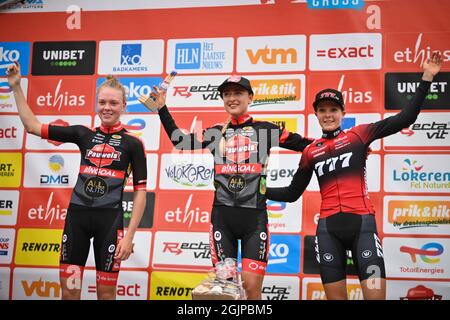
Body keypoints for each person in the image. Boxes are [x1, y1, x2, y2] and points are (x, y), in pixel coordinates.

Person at [265, 52, 443, 300]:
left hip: (362, 227)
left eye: (333, 109)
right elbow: (291, 194)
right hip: (327, 230)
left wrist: (426, 78)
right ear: (316, 114)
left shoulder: (358, 135)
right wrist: (259, 189)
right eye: (322, 110)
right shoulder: (309, 151)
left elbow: (406, 118)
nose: (328, 115)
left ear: (342, 112)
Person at [141, 75, 313, 299]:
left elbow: (306, 145)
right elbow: (180, 141)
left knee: (251, 288)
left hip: (255, 220)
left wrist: (345, 144)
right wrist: (162, 108)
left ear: (250, 97)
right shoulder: (215, 132)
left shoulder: (267, 129)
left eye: (238, 93)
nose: (232, 98)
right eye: (227, 94)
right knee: (225, 289)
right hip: (223, 220)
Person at [6, 61, 147, 300]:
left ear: (124, 105)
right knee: (70, 293)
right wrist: (16, 87)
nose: (107, 108)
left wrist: (130, 237)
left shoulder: (133, 144)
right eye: (102, 102)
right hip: (76, 220)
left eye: (113, 103)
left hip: (110, 224)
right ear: (96, 105)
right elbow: (32, 126)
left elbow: (140, 192)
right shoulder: (83, 134)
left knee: (105, 294)